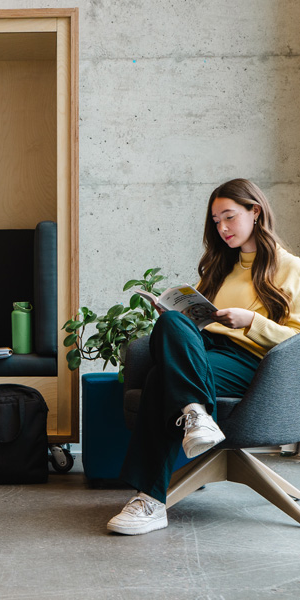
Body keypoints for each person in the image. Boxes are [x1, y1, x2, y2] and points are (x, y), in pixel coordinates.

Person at [108, 178, 300, 535]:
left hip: (256, 364)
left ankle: (150, 500)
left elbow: (296, 339)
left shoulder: (292, 268)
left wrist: (252, 321)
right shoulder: (220, 267)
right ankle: (195, 414)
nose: (222, 228)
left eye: (229, 216)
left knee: (158, 379)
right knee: (172, 323)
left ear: (255, 212)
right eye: (216, 221)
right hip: (205, 353)